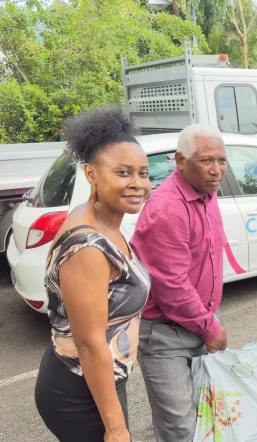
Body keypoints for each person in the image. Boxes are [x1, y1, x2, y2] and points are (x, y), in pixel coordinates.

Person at [35, 107, 152, 442]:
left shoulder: (97, 215)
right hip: (79, 389)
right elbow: (89, 344)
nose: (138, 184)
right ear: (91, 173)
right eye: (123, 172)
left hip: (101, 380)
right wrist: (116, 429)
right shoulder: (88, 246)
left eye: (144, 173)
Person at [130, 124, 228, 442]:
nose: (216, 170)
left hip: (199, 322)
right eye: (206, 161)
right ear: (180, 160)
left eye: (221, 160)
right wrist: (210, 327)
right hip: (165, 336)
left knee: (207, 416)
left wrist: (209, 319)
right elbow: (171, 285)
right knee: (181, 429)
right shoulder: (167, 210)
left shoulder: (207, 194)